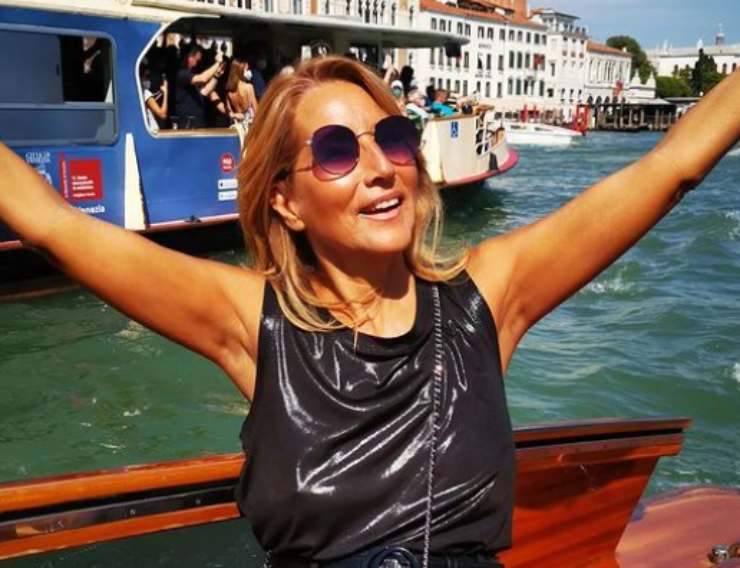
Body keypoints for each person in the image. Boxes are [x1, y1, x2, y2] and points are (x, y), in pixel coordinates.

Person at [0, 57, 738, 568]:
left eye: (392, 138)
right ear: (286, 201)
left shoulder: (487, 296)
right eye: (335, 152)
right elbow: (52, 225)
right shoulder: (252, 320)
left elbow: (669, 168)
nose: (381, 167)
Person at [174, 45, 225, 129]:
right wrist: (218, 63)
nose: (197, 64)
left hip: (197, 123)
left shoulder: (191, 75)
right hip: (187, 124)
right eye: (197, 60)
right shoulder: (181, 74)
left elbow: (205, 91)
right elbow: (203, 78)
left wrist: (216, 75)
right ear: (190, 57)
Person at [226, 59, 259, 125]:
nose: (248, 72)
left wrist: (235, 115)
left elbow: (229, 111)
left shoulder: (229, 90)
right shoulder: (249, 87)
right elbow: (256, 111)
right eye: (246, 69)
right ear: (241, 70)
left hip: (237, 124)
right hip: (248, 124)